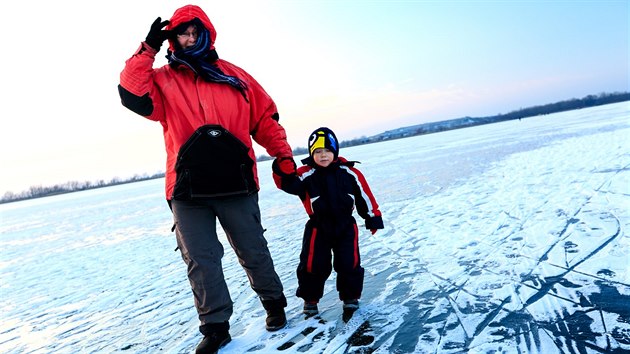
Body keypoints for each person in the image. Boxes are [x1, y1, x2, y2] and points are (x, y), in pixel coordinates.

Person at [117, 5, 298, 353]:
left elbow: (265, 119)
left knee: (253, 249)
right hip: (188, 189)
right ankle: (215, 327)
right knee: (201, 260)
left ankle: (274, 304)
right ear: (173, 39)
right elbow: (131, 93)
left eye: (192, 32)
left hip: (236, 181)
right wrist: (147, 50)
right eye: (180, 34)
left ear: (205, 33)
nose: (187, 38)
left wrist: (283, 157)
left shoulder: (236, 76)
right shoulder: (162, 81)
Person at [272, 127, 384, 320]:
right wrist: (282, 168)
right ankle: (310, 300)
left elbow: (364, 195)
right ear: (311, 154)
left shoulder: (349, 172)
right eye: (317, 152)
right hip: (318, 227)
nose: (323, 155)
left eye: (327, 151)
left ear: (335, 151)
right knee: (312, 265)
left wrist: (372, 216)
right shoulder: (305, 174)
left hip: (346, 226)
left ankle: (350, 298)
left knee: (350, 263)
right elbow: (287, 184)